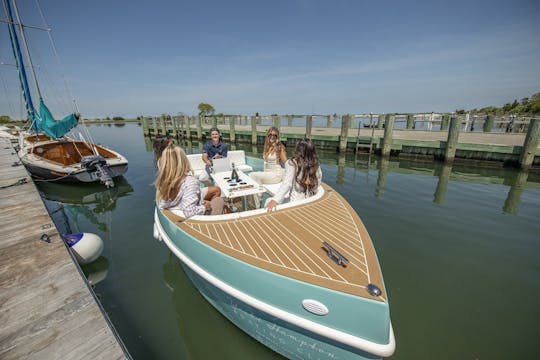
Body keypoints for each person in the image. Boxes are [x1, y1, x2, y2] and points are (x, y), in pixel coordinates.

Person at [156, 143, 225, 216]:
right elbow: (189, 212)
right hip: (196, 219)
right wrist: (204, 207)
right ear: (183, 161)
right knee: (220, 201)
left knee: (216, 190)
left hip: (177, 209)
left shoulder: (163, 180)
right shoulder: (189, 182)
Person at [265, 138, 322, 212]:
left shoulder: (292, 163)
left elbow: (287, 184)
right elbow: (317, 184)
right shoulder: (316, 165)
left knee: (268, 201)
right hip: (311, 201)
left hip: (295, 204)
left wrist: (275, 200)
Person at [247, 127, 287, 209]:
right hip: (268, 173)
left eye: (275, 135)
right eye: (270, 134)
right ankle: (253, 203)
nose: (272, 136)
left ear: (277, 137)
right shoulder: (267, 147)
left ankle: (255, 206)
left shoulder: (279, 147)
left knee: (252, 175)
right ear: (268, 136)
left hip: (276, 174)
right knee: (252, 177)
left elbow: (286, 162)